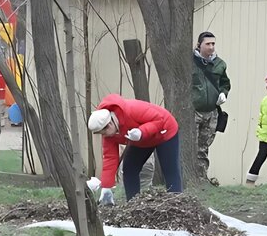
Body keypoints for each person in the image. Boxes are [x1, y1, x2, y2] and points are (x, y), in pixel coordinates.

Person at [87, 95, 182, 204]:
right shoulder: (109, 135)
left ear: (109, 124)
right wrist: (106, 187)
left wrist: (141, 132)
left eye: (103, 133)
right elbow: (110, 158)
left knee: (170, 170)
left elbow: (159, 119)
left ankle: (176, 204)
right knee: (129, 169)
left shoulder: (131, 109)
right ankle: (133, 205)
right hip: (141, 139)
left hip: (165, 131)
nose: (104, 136)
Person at [191, 31, 230, 176]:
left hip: (211, 112)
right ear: (199, 45)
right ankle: (187, 177)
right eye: (208, 44)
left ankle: (201, 177)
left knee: (203, 147)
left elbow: (225, 83)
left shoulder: (219, 64)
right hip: (193, 111)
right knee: (191, 147)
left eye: (213, 44)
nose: (211, 47)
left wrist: (223, 93)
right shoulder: (189, 62)